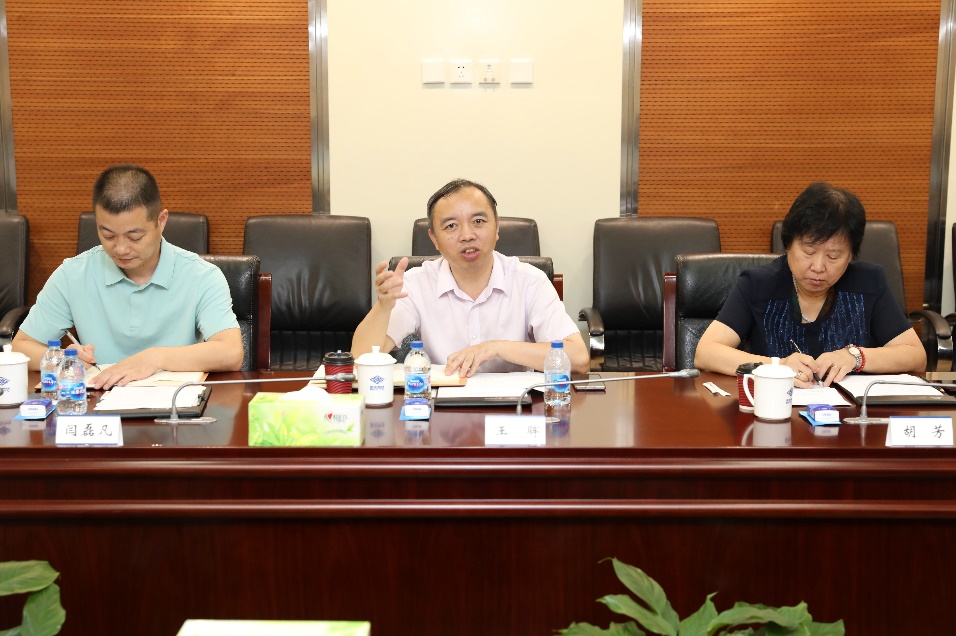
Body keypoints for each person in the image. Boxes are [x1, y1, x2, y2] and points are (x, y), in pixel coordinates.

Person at [13, 164, 244, 389]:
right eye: (108, 235)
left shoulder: (202, 275)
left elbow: (231, 353)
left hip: (175, 404)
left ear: (161, 221)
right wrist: (64, 359)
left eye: (134, 237)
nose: (121, 249)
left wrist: (155, 358)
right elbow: (21, 346)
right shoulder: (72, 274)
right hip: (100, 403)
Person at [694, 181, 926, 386]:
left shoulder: (868, 283)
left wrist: (855, 357)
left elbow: (916, 357)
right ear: (788, 245)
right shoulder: (758, 285)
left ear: (851, 255)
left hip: (849, 416)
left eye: (833, 256)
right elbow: (705, 353)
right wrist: (778, 366)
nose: (818, 266)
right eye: (808, 252)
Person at [351, 178, 589, 376]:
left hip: (516, 408)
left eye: (478, 221)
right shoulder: (415, 284)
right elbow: (361, 359)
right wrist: (383, 307)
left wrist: (496, 348)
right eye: (451, 226)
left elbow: (578, 358)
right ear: (434, 239)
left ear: (497, 227)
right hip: (439, 408)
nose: (467, 235)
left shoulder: (530, 281)